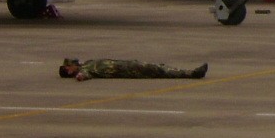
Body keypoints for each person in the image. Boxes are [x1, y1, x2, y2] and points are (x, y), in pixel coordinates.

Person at [59, 58, 207, 81]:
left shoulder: (87, 64)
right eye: (70, 64)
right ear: (69, 70)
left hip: (127, 65)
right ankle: (192, 73)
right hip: (127, 70)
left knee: (159, 68)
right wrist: (78, 76)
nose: (74, 62)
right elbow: (83, 76)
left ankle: (189, 72)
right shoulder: (84, 70)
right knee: (159, 70)